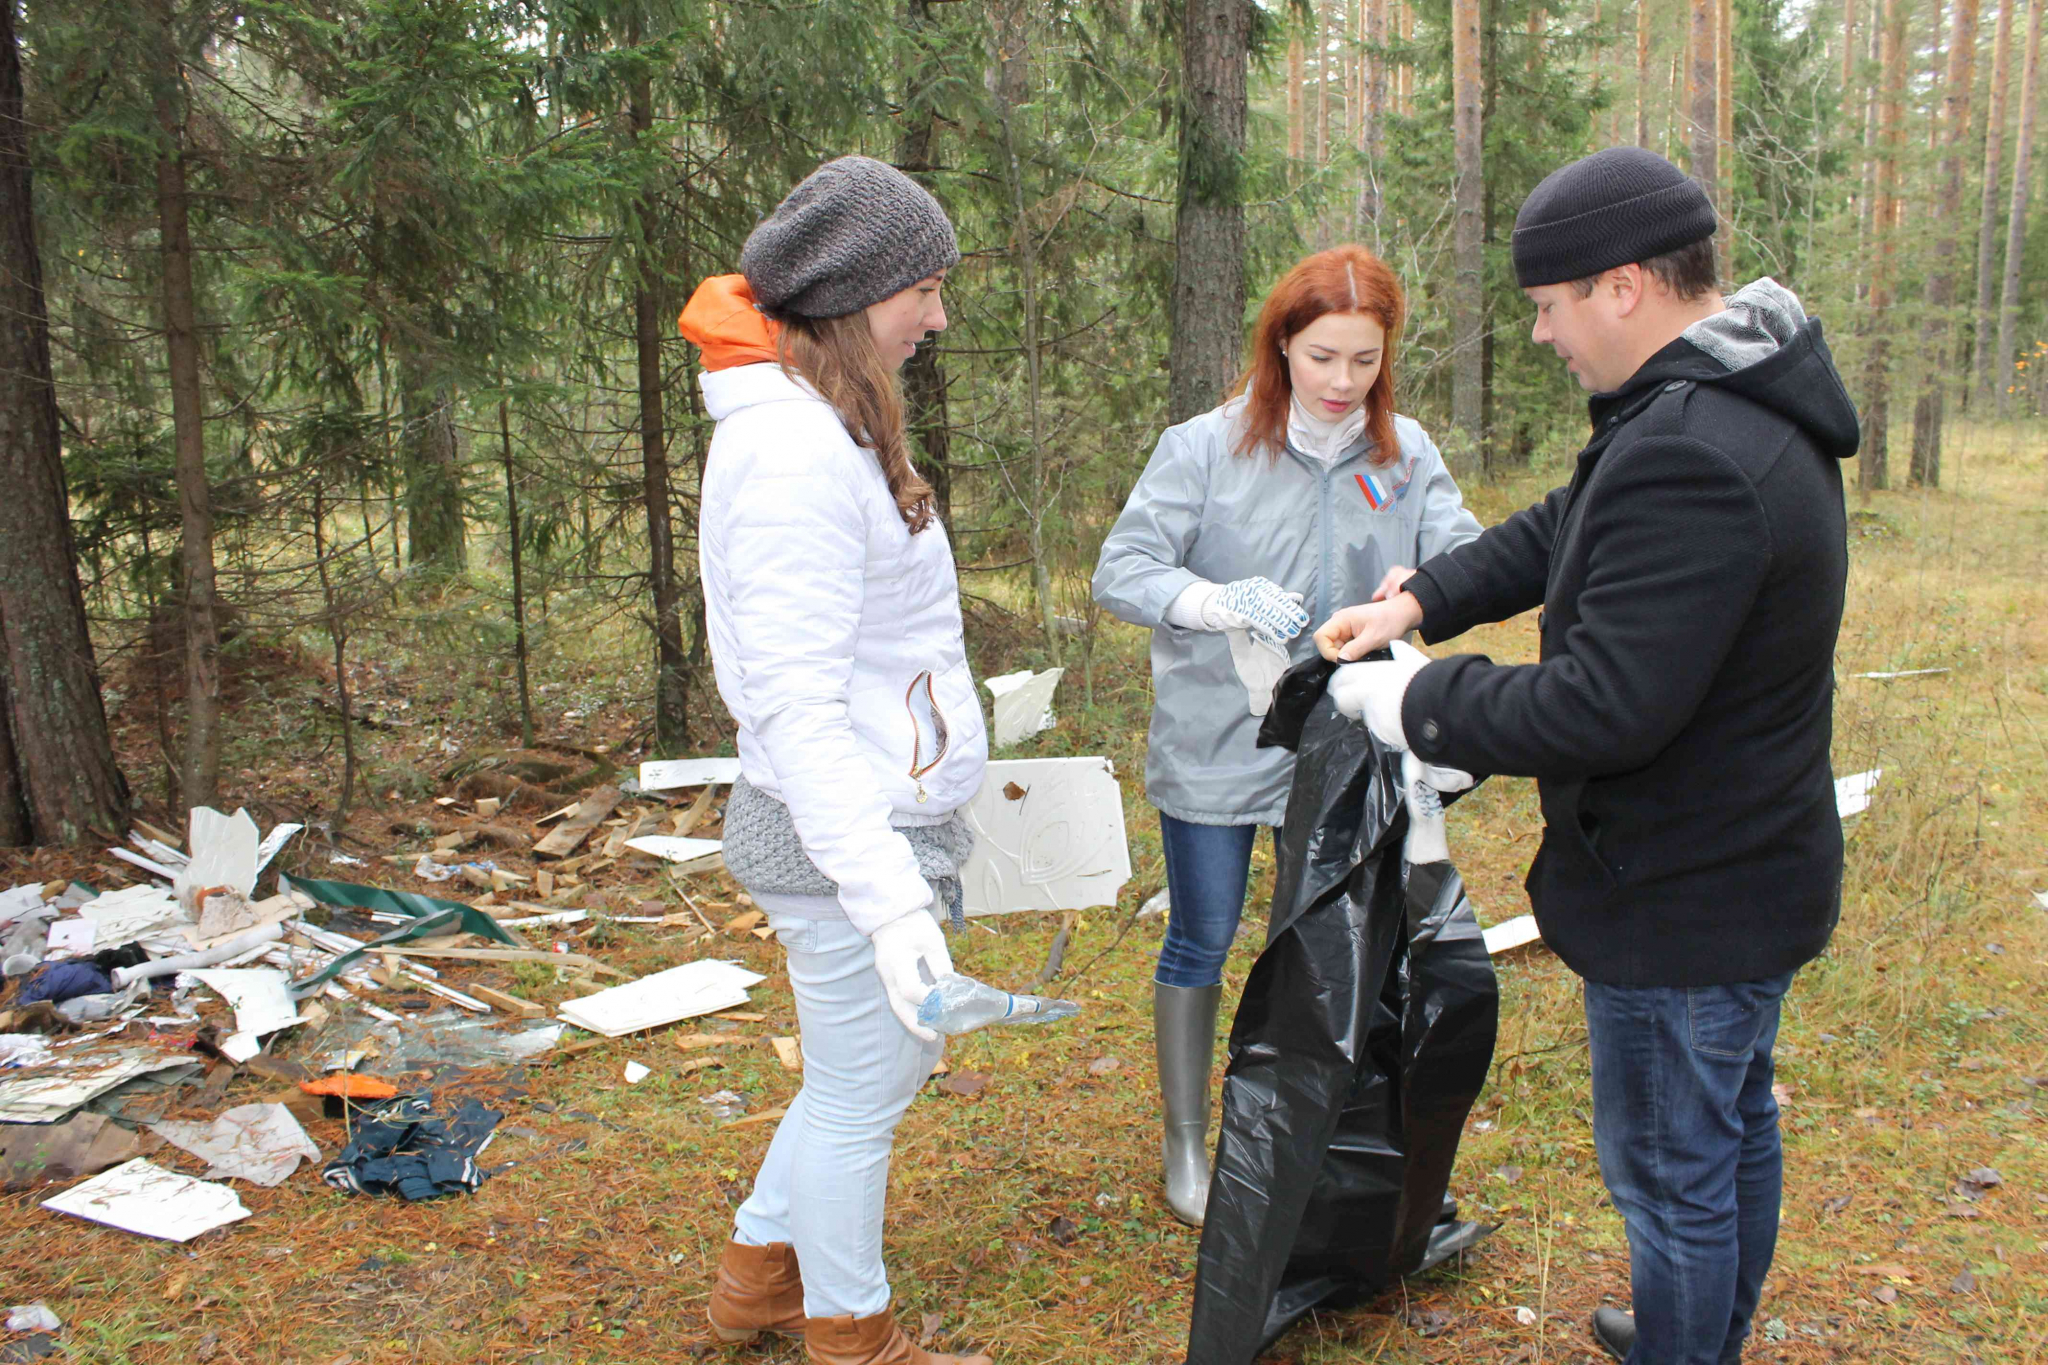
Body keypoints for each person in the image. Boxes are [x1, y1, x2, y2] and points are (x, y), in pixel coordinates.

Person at [1315, 147, 1858, 1365]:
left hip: (1684, 898)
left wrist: (1414, 707)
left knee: (1674, 1173)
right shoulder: (1715, 402)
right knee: (1724, 1136)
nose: (1546, 337)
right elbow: (1574, 523)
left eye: (1549, 309)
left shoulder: (1697, 448)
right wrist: (1421, 603)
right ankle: (1699, 1331)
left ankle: (1685, 1340)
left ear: (1621, 287)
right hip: (1742, 864)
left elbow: (1603, 707)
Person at [1091, 245, 1483, 1227]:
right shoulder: (1203, 448)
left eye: (1362, 361)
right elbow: (1121, 569)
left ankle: (1309, 1133)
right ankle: (1188, 1146)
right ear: (1280, 347)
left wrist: (1420, 591)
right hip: (1217, 741)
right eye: (1320, 359)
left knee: (1328, 945)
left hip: (1345, 744)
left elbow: (1470, 554)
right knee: (1203, 933)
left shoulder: (1404, 454)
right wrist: (1210, 598)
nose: (1342, 383)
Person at [678, 155, 994, 1365]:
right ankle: (851, 1337)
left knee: (865, 1081)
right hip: (837, 836)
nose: (938, 314)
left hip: (865, 818)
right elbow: (800, 711)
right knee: (864, 1096)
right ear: (860, 294)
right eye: (924, 285)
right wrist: (889, 897)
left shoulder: (820, 425)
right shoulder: (794, 459)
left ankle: (759, 1279)